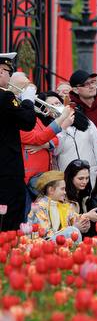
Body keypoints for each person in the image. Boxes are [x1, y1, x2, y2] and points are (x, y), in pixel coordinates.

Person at [0, 53, 40, 232]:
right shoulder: (6, 97)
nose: (9, 78)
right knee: (10, 218)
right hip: (7, 170)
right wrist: (28, 100)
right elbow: (28, 122)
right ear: (1, 71)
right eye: (9, 72)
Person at [26, 169, 95, 240]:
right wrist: (73, 228)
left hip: (61, 243)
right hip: (43, 244)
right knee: (73, 231)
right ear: (51, 190)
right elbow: (46, 235)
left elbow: (74, 218)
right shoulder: (39, 207)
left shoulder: (62, 205)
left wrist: (85, 220)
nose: (65, 192)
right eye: (62, 189)